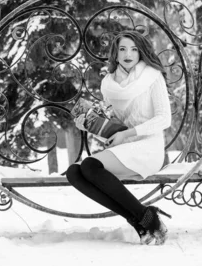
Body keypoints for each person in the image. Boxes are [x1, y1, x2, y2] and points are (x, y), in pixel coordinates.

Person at [66, 30, 172, 245]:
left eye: (134, 49)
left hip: (148, 147)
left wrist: (127, 134)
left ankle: (146, 220)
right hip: (125, 146)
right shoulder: (109, 84)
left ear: (141, 52)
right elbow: (114, 125)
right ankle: (140, 218)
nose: (128, 53)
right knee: (74, 172)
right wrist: (89, 124)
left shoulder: (152, 76)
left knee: (89, 165)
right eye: (122, 48)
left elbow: (164, 119)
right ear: (115, 54)